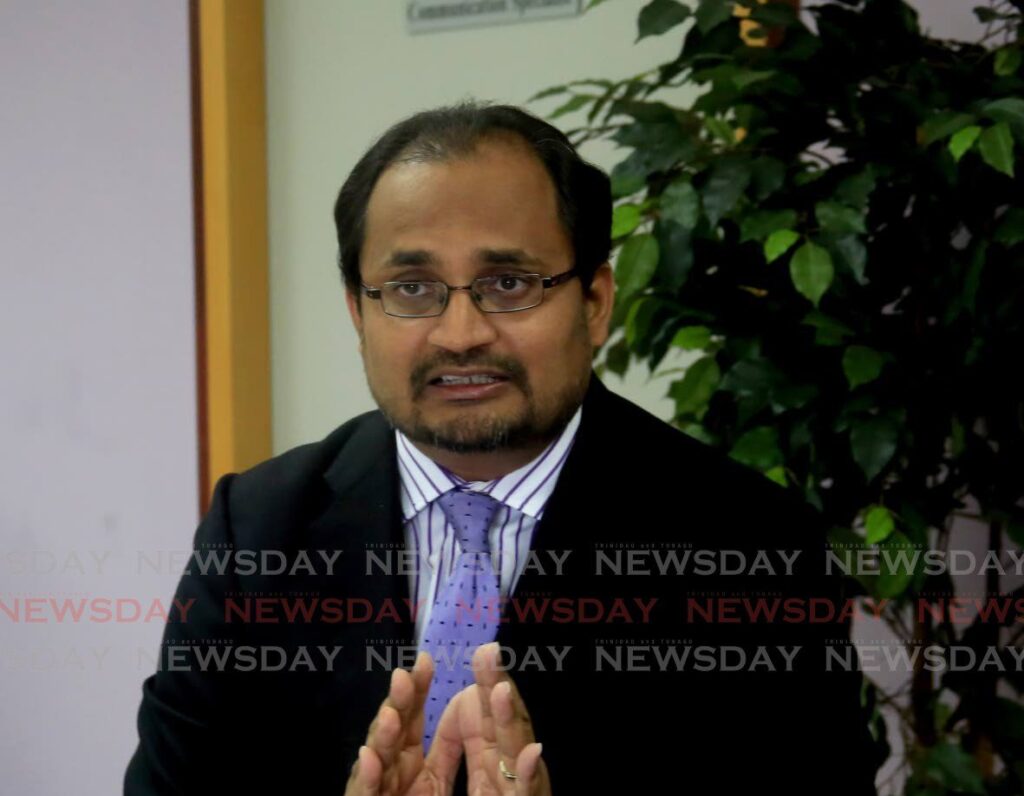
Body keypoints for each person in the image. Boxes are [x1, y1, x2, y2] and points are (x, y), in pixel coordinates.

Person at [124, 102, 880, 795]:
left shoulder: (750, 542)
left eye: (510, 282)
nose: (461, 334)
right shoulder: (257, 525)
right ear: (359, 310)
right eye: (413, 288)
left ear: (595, 301)